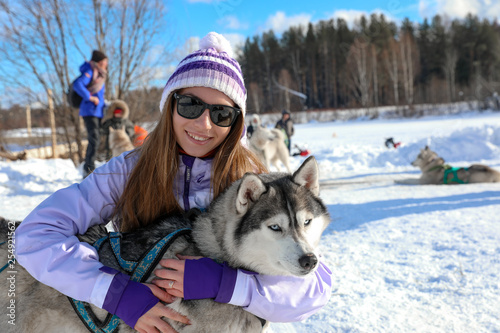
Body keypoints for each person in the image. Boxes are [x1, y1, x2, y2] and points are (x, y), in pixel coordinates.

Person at [15, 32, 332, 333]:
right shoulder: (128, 171)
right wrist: (115, 294)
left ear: (237, 122)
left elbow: (313, 289)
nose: (203, 123)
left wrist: (227, 284)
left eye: (221, 114)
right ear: (170, 106)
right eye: (190, 105)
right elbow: (34, 236)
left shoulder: (251, 181)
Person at [73, 50, 108, 178]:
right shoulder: (90, 71)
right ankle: (88, 170)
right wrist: (90, 97)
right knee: (94, 139)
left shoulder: (99, 74)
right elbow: (78, 85)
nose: (106, 65)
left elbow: (99, 94)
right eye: (104, 63)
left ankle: (89, 168)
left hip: (97, 111)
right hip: (90, 111)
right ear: (99, 62)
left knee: (96, 139)